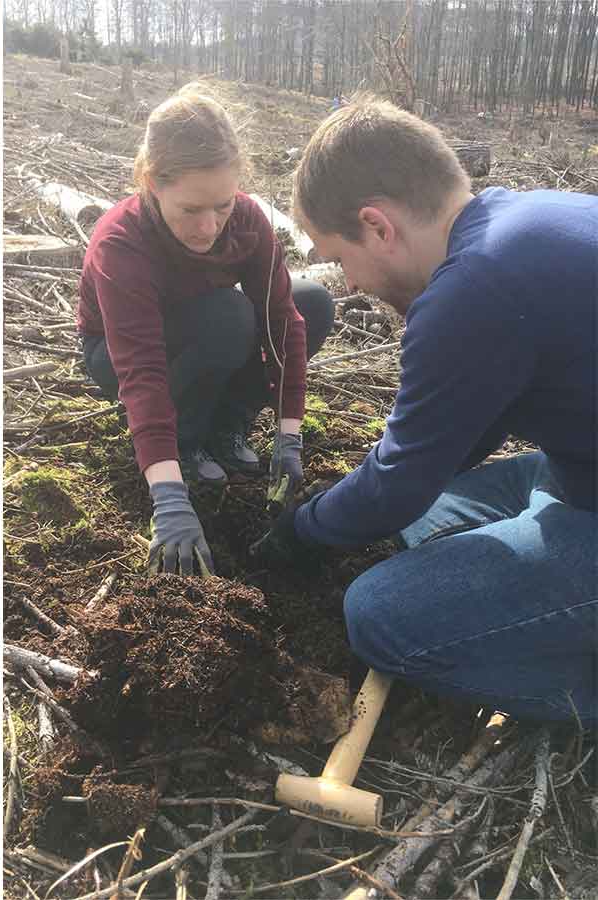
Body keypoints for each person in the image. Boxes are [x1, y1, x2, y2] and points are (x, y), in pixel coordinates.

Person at [253, 95, 597, 725]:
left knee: (378, 615)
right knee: (417, 519)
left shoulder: (473, 288)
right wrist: (360, 498)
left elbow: (401, 479)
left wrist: (302, 531)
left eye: (339, 259)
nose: (350, 284)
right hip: (578, 471)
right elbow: (450, 447)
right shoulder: (520, 222)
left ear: (378, 226)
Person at [76, 84, 334, 576]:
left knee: (311, 303)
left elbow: (283, 320)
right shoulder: (121, 241)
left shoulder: (247, 221)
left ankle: (226, 424)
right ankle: (184, 443)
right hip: (119, 353)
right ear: (153, 183)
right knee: (228, 316)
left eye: (222, 205)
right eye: (190, 210)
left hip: (209, 329)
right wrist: (168, 495)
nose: (208, 226)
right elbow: (141, 369)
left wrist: (290, 433)